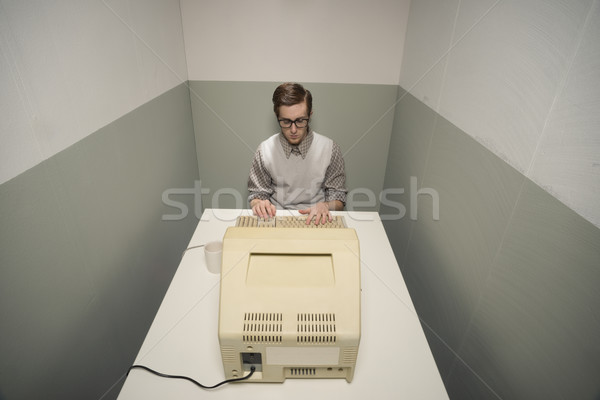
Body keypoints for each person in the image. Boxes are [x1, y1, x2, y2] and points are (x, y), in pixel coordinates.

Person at [248, 82, 347, 225]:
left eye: (300, 120)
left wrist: (326, 206)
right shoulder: (264, 150)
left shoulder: (330, 149)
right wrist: (259, 204)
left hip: (318, 220)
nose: (293, 130)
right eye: (286, 121)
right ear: (277, 117)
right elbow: (257, 194)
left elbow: (338, 197)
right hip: (276, 219)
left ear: (310, 115)